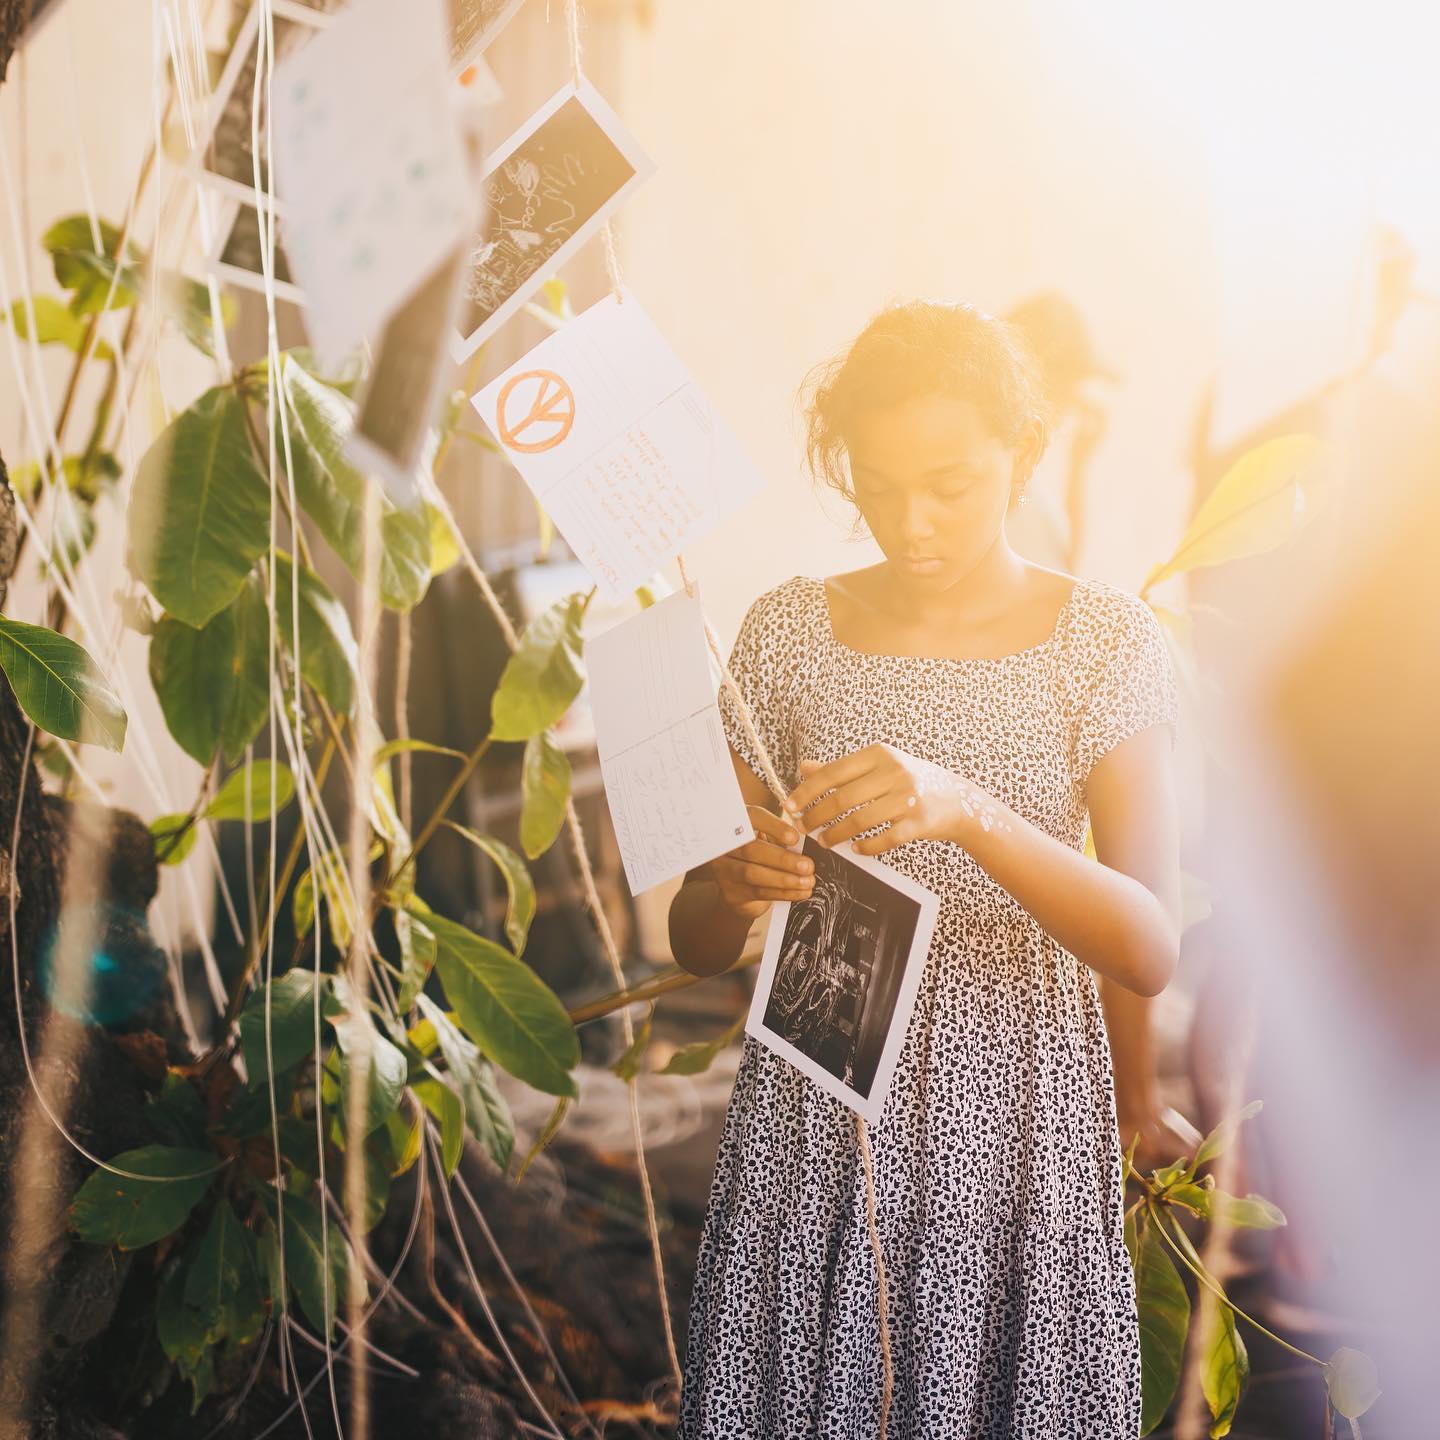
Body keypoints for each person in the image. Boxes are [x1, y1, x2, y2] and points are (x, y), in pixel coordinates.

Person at [668, 299, 1182, 1438]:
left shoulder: (1101, 644)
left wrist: (970, 810)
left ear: (1024, 454)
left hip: (1014, 1114)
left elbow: (1149, 944)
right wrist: (737, 887)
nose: (910, 522)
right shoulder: (788, 633)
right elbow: (695, 936)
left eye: (949, 484)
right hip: (817, 1105)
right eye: (876, 484)